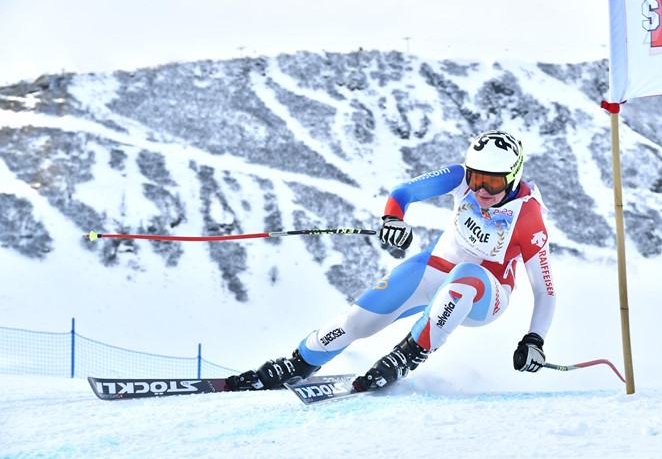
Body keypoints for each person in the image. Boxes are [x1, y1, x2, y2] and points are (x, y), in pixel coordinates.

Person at [226, 130, 556, 393]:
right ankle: (299, 363)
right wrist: (393, 219)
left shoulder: (527, 216)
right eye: (476, 178)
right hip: (433, 269)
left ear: (513, 177)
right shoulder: (461, 179)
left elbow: (545, 291)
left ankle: (408, 354)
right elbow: (404, 191)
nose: (482, 189)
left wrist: (534, 340)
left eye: (494, 182)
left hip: (485, 294)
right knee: (359, 320)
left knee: (467, 274)